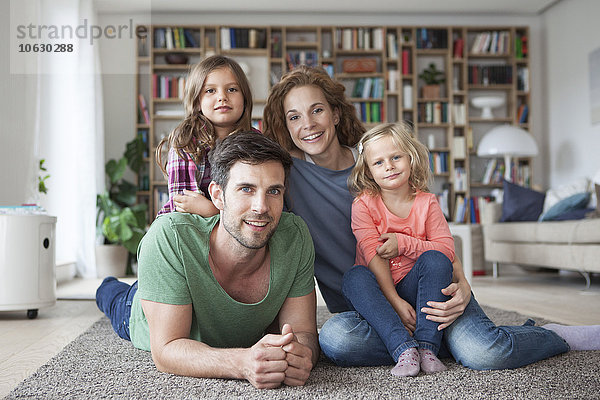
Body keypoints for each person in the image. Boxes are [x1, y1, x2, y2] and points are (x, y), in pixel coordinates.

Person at [263, 65, 599, 371]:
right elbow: (237, 160)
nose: (307, 124)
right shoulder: (285, 175)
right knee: (336, 340)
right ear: (285, 126)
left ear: (335, 114)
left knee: (486, 354)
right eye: (294, 117)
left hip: (429, 288)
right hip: (370, 309)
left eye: (316, 110)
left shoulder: (379, 164)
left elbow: (436, 236)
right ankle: (429, 345)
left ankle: (553, 336)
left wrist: (462, 283)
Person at [96, 132, 319, 389]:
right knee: (112, 296)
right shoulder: (170, 236)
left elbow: (305, 333)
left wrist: (302, 355)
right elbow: (167, 349)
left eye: (274, 191)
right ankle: (105, 287)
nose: (261, 207)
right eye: (246, 189)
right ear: (218, 196)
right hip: (143, 308)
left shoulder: (295, 236)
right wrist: (242, 362)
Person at [344, 122, 455, 376]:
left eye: (396, 157)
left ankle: (427, 348)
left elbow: (447, 250)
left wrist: (403, 243)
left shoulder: (427, 202)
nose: (389, 166)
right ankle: (404, 348)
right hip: (381, 293)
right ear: (369, 171)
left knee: (436, 260)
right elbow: (372, 254)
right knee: (354, 277)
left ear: (411, 158)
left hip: (418, 289)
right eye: (379, 162)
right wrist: (394, 302)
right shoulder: (363, 204)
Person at [155, 55, 255, 218]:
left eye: (232, 89)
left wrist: (212, 211)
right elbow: (184, 204)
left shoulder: (256, 142)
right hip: (190, 226)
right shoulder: (185, 142)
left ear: (244, 98)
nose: (222, 97)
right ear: (197, 102)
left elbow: (255, 202)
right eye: (210, 91)